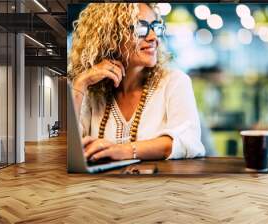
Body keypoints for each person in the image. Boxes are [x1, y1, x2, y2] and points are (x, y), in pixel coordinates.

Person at [68, 3, 205, 162]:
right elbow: (69, 147)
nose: (153, 37)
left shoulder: (174, 82)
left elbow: (188, 140)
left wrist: (122, 150)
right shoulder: (92, 91)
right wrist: (80, 83)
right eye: (141, 28)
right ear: (111, 37)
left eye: (155, 27)